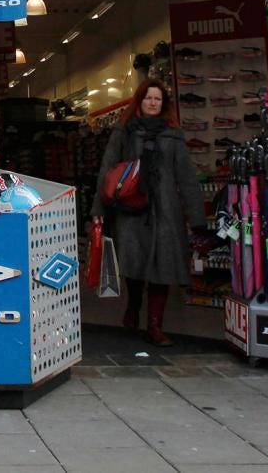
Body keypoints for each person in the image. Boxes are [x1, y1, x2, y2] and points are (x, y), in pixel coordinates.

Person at [91, 79, 205, 346]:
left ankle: (155, 325)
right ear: (140, 101)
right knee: (134, 264)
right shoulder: (124, 131)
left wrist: (196, 217)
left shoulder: (173, 135)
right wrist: (98, 208)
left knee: (163, 267)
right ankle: (133, 304)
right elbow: (107, 169)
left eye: (158, 99)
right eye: (149, 98)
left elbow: (186, 177)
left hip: (166, 211)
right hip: (131, 208)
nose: (153, 103)